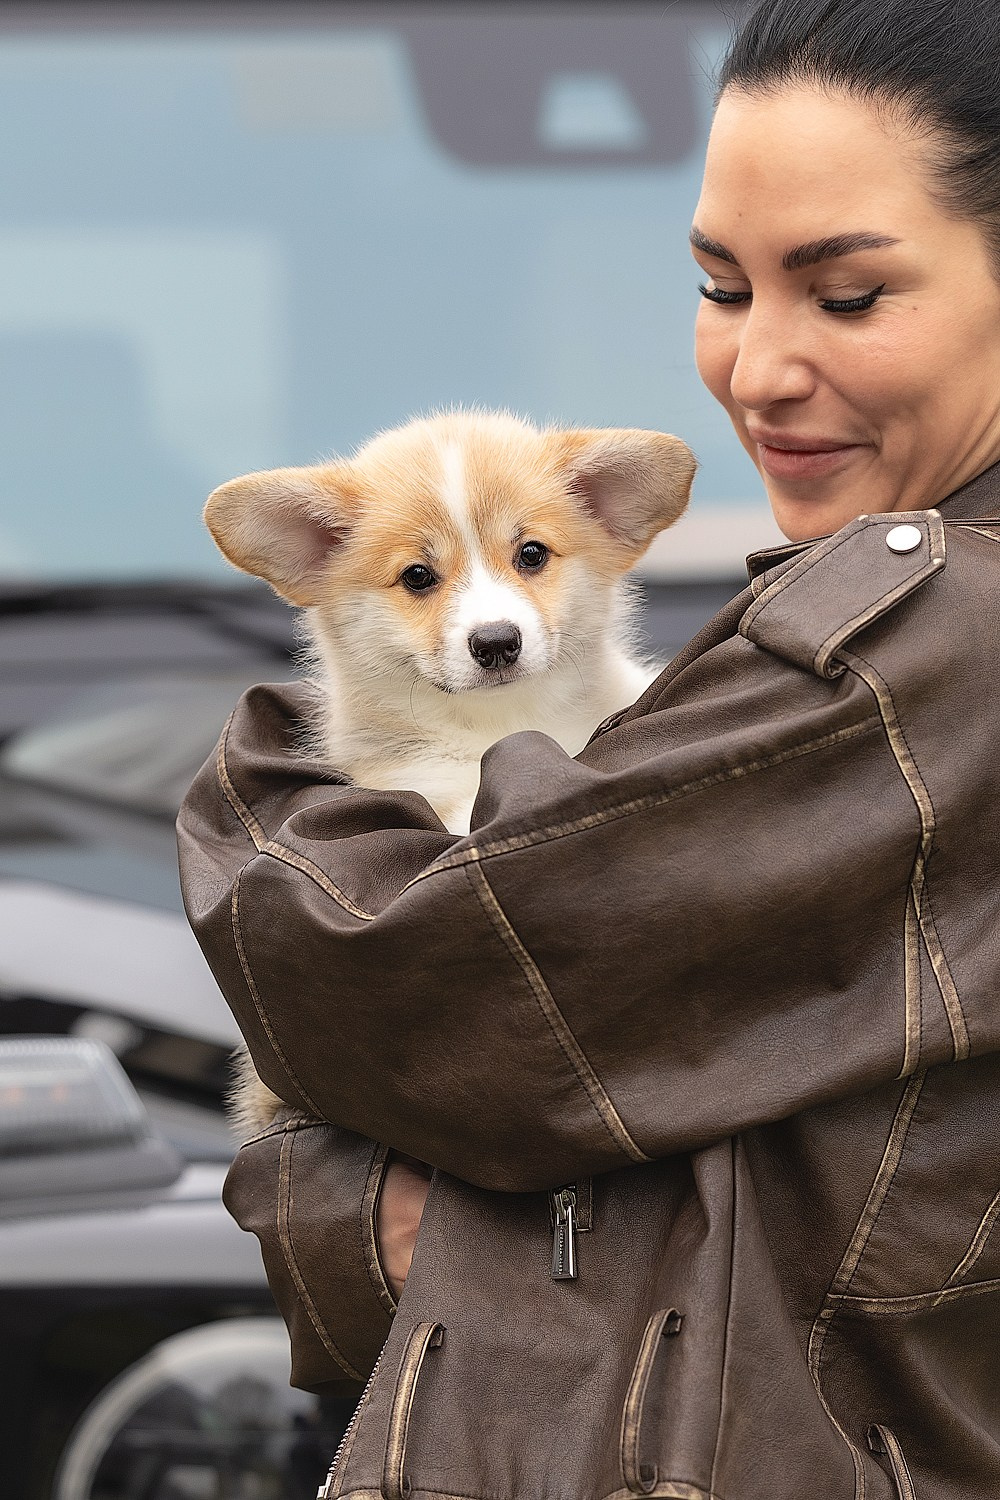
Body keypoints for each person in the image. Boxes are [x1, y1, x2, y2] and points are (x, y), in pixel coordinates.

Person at [177, 0, 1000, 1493]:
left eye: (851, 295)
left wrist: (251, 805)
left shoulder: (936, 644)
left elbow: (425, 984)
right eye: (718, 285)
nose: (756, 368)